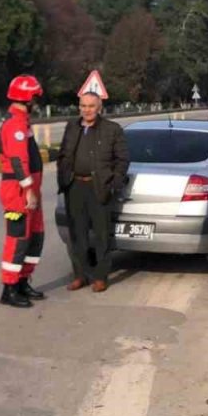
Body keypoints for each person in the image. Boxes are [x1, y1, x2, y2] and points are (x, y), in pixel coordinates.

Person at [56, 92, 129, 293]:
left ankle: (100, 277)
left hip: (99, 187)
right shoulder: (72, 127)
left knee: (101, 235)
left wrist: (113, 183)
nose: (86, 110)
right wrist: (64, 177)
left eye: (91, 106)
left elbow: (122, 160)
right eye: (83, 106)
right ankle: (80, 275)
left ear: (99, 108)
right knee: (77, 235)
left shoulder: (112, 130)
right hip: (75, 186)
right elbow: (63, 154)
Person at [0, 74, 46, 308]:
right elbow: (17, 160)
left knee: (35, 237)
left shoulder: (22, 121)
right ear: (27, 98)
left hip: (29, 189)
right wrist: (28, 189)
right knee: (18, 239)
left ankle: (23, 281)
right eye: (35, 97)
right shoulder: (14, 124)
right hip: (18, 190)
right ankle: (9, 288)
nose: (36, 102)